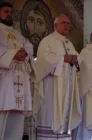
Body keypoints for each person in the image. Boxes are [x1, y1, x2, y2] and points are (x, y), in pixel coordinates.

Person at [33, 14, 81, 140]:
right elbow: (43, 61)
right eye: (63, 22)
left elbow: (78, 59)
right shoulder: (47, 41)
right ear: (55, 25)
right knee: (51, 115)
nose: (66, 25)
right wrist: (63, 59)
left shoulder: (69, 43)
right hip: (52, 88)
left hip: (67, 88)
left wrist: (76, 60)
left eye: (68, 23)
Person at [0, 2, 34, 140]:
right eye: (6, 11)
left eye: (11, 12)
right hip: (5, 80)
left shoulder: (18, 34)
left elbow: (29, 47)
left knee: (17, 119)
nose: (9, 14)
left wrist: (25, 53)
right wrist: (13, 53)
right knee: (3, 116)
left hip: (20, 79)